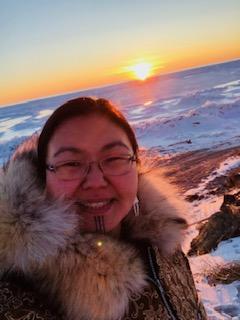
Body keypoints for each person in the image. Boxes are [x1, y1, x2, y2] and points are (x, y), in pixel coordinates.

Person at [0, 97, 207, 319]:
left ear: (135, 165)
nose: (96, 181)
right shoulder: (13, 297)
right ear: (43, 177)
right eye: (70, 163)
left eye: (114, 158)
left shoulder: (163, 241)